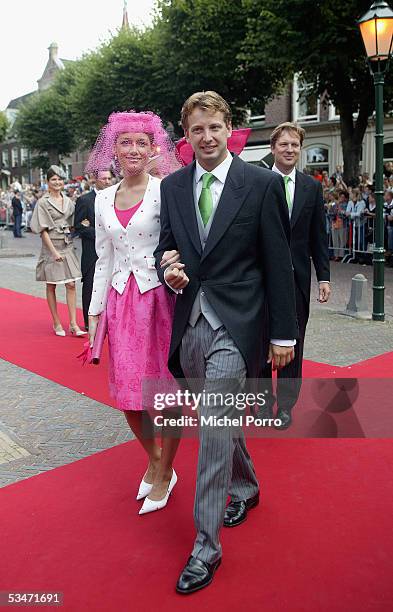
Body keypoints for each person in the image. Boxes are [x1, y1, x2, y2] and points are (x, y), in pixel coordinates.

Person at [154, 91, 298, 594]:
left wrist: (284, 334)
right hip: (190, 323)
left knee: (213, 430)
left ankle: (205, 547)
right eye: (197, 130)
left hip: (238, 326)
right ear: (186, 135)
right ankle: (247, 485)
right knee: (222, 417)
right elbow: (165, 247)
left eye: (215, 127)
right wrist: (167, 268)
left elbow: (278, 263)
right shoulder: (172, 187)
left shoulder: (260, 183)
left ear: (229, 127)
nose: (207, 137)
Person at [86, 111, 181, 514]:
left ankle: (165, 471)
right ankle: (156, 461)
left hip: (162, 298)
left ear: (154, 147)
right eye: (126, 142)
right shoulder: (102, 198)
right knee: (128, 396)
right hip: (122, 301)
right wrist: (95, 313)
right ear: (114, 148)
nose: (134, 149)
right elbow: (102, 260)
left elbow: (181, 243)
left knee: (167, 394)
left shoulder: (167, 190)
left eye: (142, 142)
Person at [258, 122, 330, 429]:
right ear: (273, 148)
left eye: (295, 145)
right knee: (259, 343)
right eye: (284, 144)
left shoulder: (311, 187)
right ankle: (262, 404)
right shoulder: (257, 182)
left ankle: (285, 406)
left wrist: (323, 277)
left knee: (294, 344)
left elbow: (318, 237)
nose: (290, 150)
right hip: (260, 280)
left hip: (297, 280)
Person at [30, 166, 86, 337]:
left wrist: (81, 225)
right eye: (53, 179)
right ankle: (56, 322)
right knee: (52, 284)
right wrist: (53, 252)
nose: (57, 182)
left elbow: (73, 223)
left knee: (71, 283)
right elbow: (42, 230)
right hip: (51, 246)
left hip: (67, 244)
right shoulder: (43, 202)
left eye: (60, 179)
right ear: (47, 182)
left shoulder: (69, 201)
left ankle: (74, 324)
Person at [74, 170, 113, 329]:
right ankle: (88, 322)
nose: (107, 181)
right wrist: (102, 233)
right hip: (92, 253)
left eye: (110, 178)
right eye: (104, 178)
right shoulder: (85, 200)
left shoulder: (115, 197)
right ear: (94, 180)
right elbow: (78, 226)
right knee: (90, 287)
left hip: (113, 251)